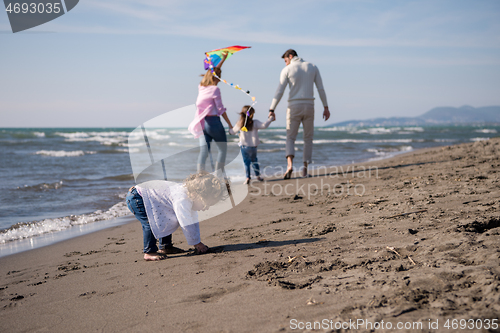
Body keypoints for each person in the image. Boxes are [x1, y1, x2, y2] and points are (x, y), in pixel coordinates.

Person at [126, 172, 227, 261]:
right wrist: (197, 243)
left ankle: (165, 247)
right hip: (138, 198)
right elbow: (186, 222)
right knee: (151, 223)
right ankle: (149, 252)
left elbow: (193, 220)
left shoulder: (189, 196)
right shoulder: (182, 199)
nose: (206, 208)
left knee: (165, 219)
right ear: (197, 196)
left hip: (150, 196)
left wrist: (197, 241)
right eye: (205, 205)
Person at [268, 49, 330, 179]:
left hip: (293, 106)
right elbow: (320, 89)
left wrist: (272, 109)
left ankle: (289, 165)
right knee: (308, 138)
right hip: (309, 106)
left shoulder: (287, 69)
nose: (285, 64)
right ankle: (305, 170)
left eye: (285, 61)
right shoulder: (312, 67)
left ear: (290, 56)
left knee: (290, 137)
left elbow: (279, 91)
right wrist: (326, 107)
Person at [189, 52, 234, 175]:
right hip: (214, 123)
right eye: (219, 77)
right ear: (215, 77)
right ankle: (219, 174)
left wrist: (223, 59)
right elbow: (220, 110)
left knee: (204, 152)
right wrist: (230, 125)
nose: (220, 80)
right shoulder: (215, 89)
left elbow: (212, 70)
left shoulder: (201, 87)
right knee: (222, 150)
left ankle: (199, 175)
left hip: (202, 124)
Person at [232, 105, 274, 184]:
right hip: (253, 147)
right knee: (254, 161)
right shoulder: (255, 122)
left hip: (244, 146)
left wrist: (229, 128)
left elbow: (232, 132)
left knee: (246, 163)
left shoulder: (240, 123)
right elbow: (264, 125)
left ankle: (247, 177)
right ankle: (258, 176)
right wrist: (270, 119)